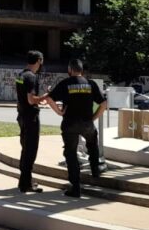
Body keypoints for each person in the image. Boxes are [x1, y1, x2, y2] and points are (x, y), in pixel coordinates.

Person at [45, 59, 107, 198]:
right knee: (92, 145)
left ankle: (76, 187)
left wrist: (59, 112)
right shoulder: (90, 84)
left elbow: (49, 99)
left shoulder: (65, 83)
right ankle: (95, 171)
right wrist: (93, 118)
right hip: (87, 124)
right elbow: (103, 104)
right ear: (82, 70)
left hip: (70, 124)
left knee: (71, 153)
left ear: (70, 70)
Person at [14, 50, 46, 193]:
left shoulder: (21, 75)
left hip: (22, 116)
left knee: (25, 149)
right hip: (31, 117)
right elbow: (31, 99)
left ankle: (24, 181)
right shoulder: (32, 77)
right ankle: (26, 184)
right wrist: (45, 97)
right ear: (39, 60)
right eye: (42, 61)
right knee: (30, 151)